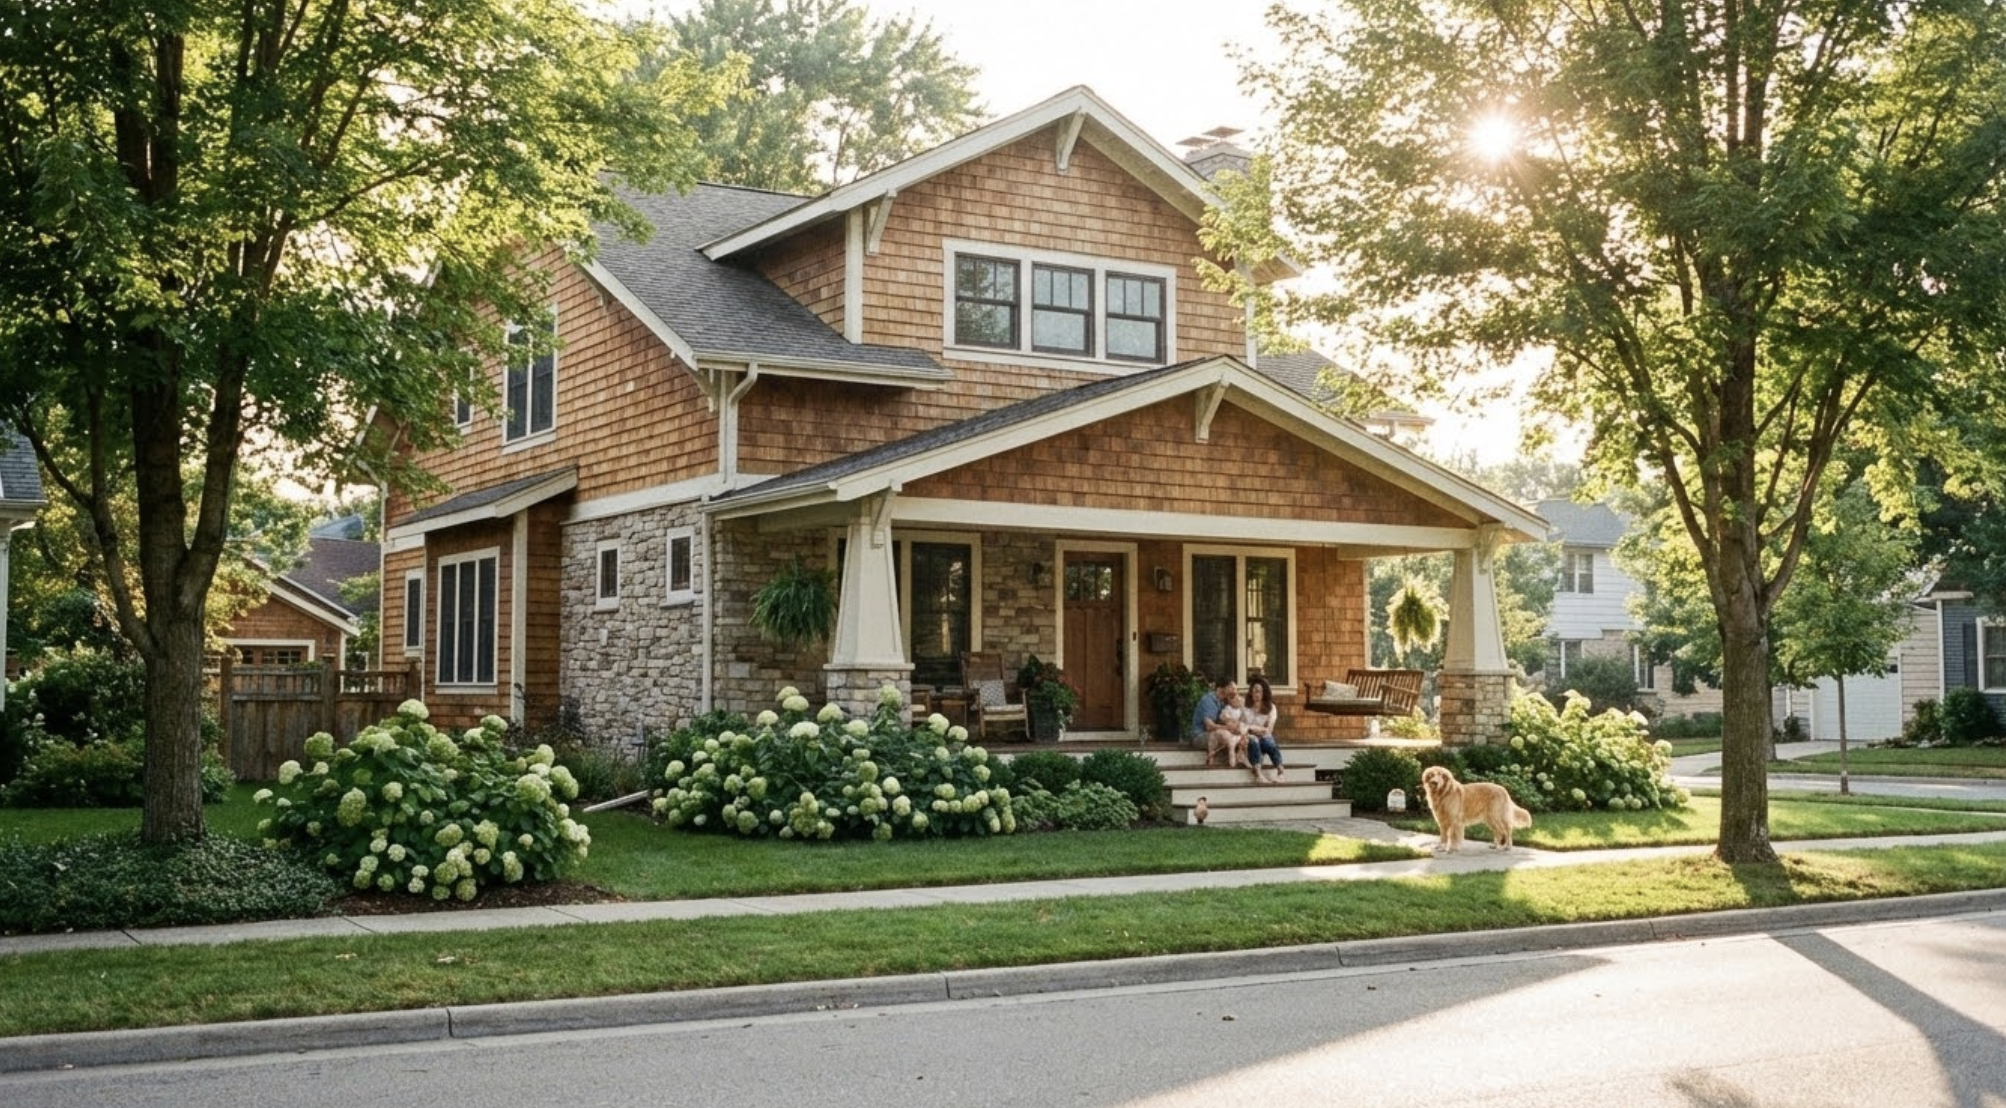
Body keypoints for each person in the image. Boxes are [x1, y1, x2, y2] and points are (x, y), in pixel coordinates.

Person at [1191, 678, 1248, 767]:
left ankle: (1242, 757)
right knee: (1227, 736)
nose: (1234, 691)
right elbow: (1209, 727)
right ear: (1221, 689)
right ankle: (1215, 759)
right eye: (1231, 688)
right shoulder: (1208, 700)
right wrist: (1229, 728)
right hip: (1200, 735)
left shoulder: (1223, 702)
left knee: (1244, 736)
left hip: (1218, 733)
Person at [1243, 676, 1284, 782]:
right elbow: (1243, 728)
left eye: (1259, 691)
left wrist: (1252, 729)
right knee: (1254, 739)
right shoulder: (1245, 708)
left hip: (1264, 739)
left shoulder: (1271, 708)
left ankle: (1280, 772)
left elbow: (1269, 730)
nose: (1256, 694)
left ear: (1264, 693)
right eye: (1254, 691)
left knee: (1268, 740)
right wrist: (1258, 730)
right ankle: (1258, 774)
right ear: (1250, 693)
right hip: (1248, 740)